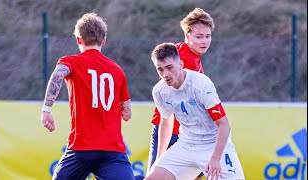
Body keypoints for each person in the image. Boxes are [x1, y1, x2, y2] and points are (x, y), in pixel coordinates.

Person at [40, 13, 136, 180]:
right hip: (112, 150)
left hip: (81, 148)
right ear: (103, 40)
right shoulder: (117, 70)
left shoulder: (72, 62)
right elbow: (127, 113)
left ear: (78, 40)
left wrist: (46, 110)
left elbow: (57, 76)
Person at [145, 42, 245, 180]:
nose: (165, 74)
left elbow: (224, 124)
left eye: (169, 67)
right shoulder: (159, 91)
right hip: (186, 144)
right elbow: (166, 121)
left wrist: (215, 159)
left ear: (181, 64)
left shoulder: (201, 85)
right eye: (160, 69)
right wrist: (159, 159)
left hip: (213, 144)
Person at [147, 8, 214, 178]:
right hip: (173, 132)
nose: (204, 41)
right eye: (199, 37)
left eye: (207, 36)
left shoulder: (194, 58)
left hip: (191, 135)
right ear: (187, 36)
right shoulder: (179, 57)